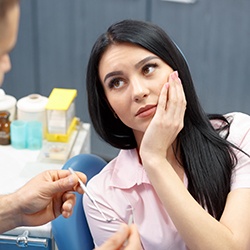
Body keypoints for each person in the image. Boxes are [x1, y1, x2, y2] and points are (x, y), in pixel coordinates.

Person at [84, 19, 250, 249]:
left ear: (176, 70)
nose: (139, 92)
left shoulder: (239, 134)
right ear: (108, 104)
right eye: (117, 82)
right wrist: (154, 158)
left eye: (148, 68)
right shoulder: (102, 196)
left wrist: (154, 158)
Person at [0, 1, 140, 249]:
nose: (7, 66)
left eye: (149, 68)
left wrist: (15, 208)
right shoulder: (106, 195)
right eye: (0, 53)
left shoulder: (232, 134)